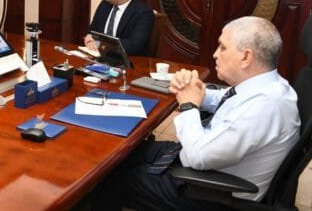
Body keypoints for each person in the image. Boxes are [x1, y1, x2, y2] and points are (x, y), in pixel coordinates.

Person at [94, 16, 300, 210]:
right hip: (205, 157)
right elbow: (223, 100)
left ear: (246, 57)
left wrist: (188, 105)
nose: (215, 54)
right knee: (119, 156)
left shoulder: (266, 105)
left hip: (211, 191)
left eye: (222, 47)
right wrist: (194, 89)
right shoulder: (268, 86)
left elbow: (198, 157)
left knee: (107, 178)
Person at [84, 0, 154, 56]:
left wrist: (101, 43)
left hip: (128, 59)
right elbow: (92, 30)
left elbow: (134, 45)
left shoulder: (143, 13)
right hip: (98, 56)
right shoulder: (105, 4)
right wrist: (89, 37)